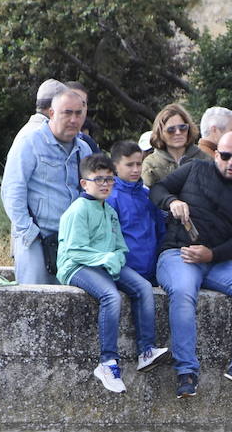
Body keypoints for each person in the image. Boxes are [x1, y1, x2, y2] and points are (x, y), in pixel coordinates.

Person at [149, 131, 232, 398]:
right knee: (182, 292)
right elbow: (157, 189)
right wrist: (173, 201)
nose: (230, 162)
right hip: (177, 253)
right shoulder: (195, 169)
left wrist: (211, 255)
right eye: (225, 156)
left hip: (217, 261)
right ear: (216, 154)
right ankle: (186, 371)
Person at [57, 153, 170, 393]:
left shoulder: (108, 210)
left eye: (109, 179)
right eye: (99, 179)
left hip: (105, 265)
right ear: (84, 183)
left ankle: (146, 350)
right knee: (111, 296)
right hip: (76, 267)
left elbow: (120, 246)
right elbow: (74, 251)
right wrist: (106, 258)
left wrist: (116, 258)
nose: (105, 184)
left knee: (142, 287)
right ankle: (108, 361)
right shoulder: (78, 210)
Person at [0, 88, 92, 285]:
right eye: (67, 113)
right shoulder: (30, 142)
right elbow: (12, 190)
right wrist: (28, 232)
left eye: (78, 113)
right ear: (51, 113)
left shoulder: (84, 149)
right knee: (33, 302)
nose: (74, 120)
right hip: (36, 238)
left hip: (72, 241)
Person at [106, 139, 164, 285]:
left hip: (153, 271)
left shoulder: (148, 195)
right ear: (115, 166)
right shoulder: (110, 198)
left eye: (139, 164)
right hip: (123, 273)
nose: (136, 170)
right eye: (129, 165)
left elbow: (160, 232)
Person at [142, 104, 209, 187]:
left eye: (183, 128)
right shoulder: (150, 164)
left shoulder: (205, 159)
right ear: (160, 133)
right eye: (171, 129)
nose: (178, 132)